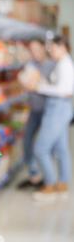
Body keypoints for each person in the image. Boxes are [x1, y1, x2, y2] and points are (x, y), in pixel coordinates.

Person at [30, 36, 74, 201]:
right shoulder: (62, 63)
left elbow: (64, 90)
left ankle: (49, 184)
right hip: (60, 109)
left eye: (53, 48)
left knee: (40, 148)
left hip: (58, 109)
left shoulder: (65, 65)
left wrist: (39, 87)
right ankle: (62, 183)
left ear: (62, 47)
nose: (50, 52)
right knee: (61, 149)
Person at [17, 39, 56, 190]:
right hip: (34, 110)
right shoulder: (31, 64)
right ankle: (34, 176)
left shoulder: (50, 65)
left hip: (48, 112)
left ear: (43, 48)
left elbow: (30, 83)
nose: (34, 52)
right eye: (31, 50)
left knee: (44, 146)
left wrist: (27, 79)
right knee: (27, 142)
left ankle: (48, 179)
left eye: (36, 49)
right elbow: (24, 83)